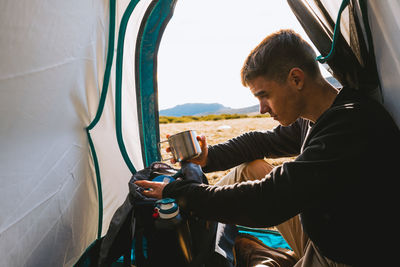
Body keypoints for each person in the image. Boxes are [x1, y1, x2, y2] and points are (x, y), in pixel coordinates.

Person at [135, 29, 400, 266]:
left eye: (264, 95)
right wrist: (209, 157)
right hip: (328, 228)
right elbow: (259, 142)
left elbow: (269, 200)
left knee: (259, 194)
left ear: (296, 79)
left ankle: (262, 256)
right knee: (248, 169)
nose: (262, 108)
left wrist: (184, 195)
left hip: (346, 256)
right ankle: (213, 232)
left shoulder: (350, 126)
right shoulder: (318, 116)